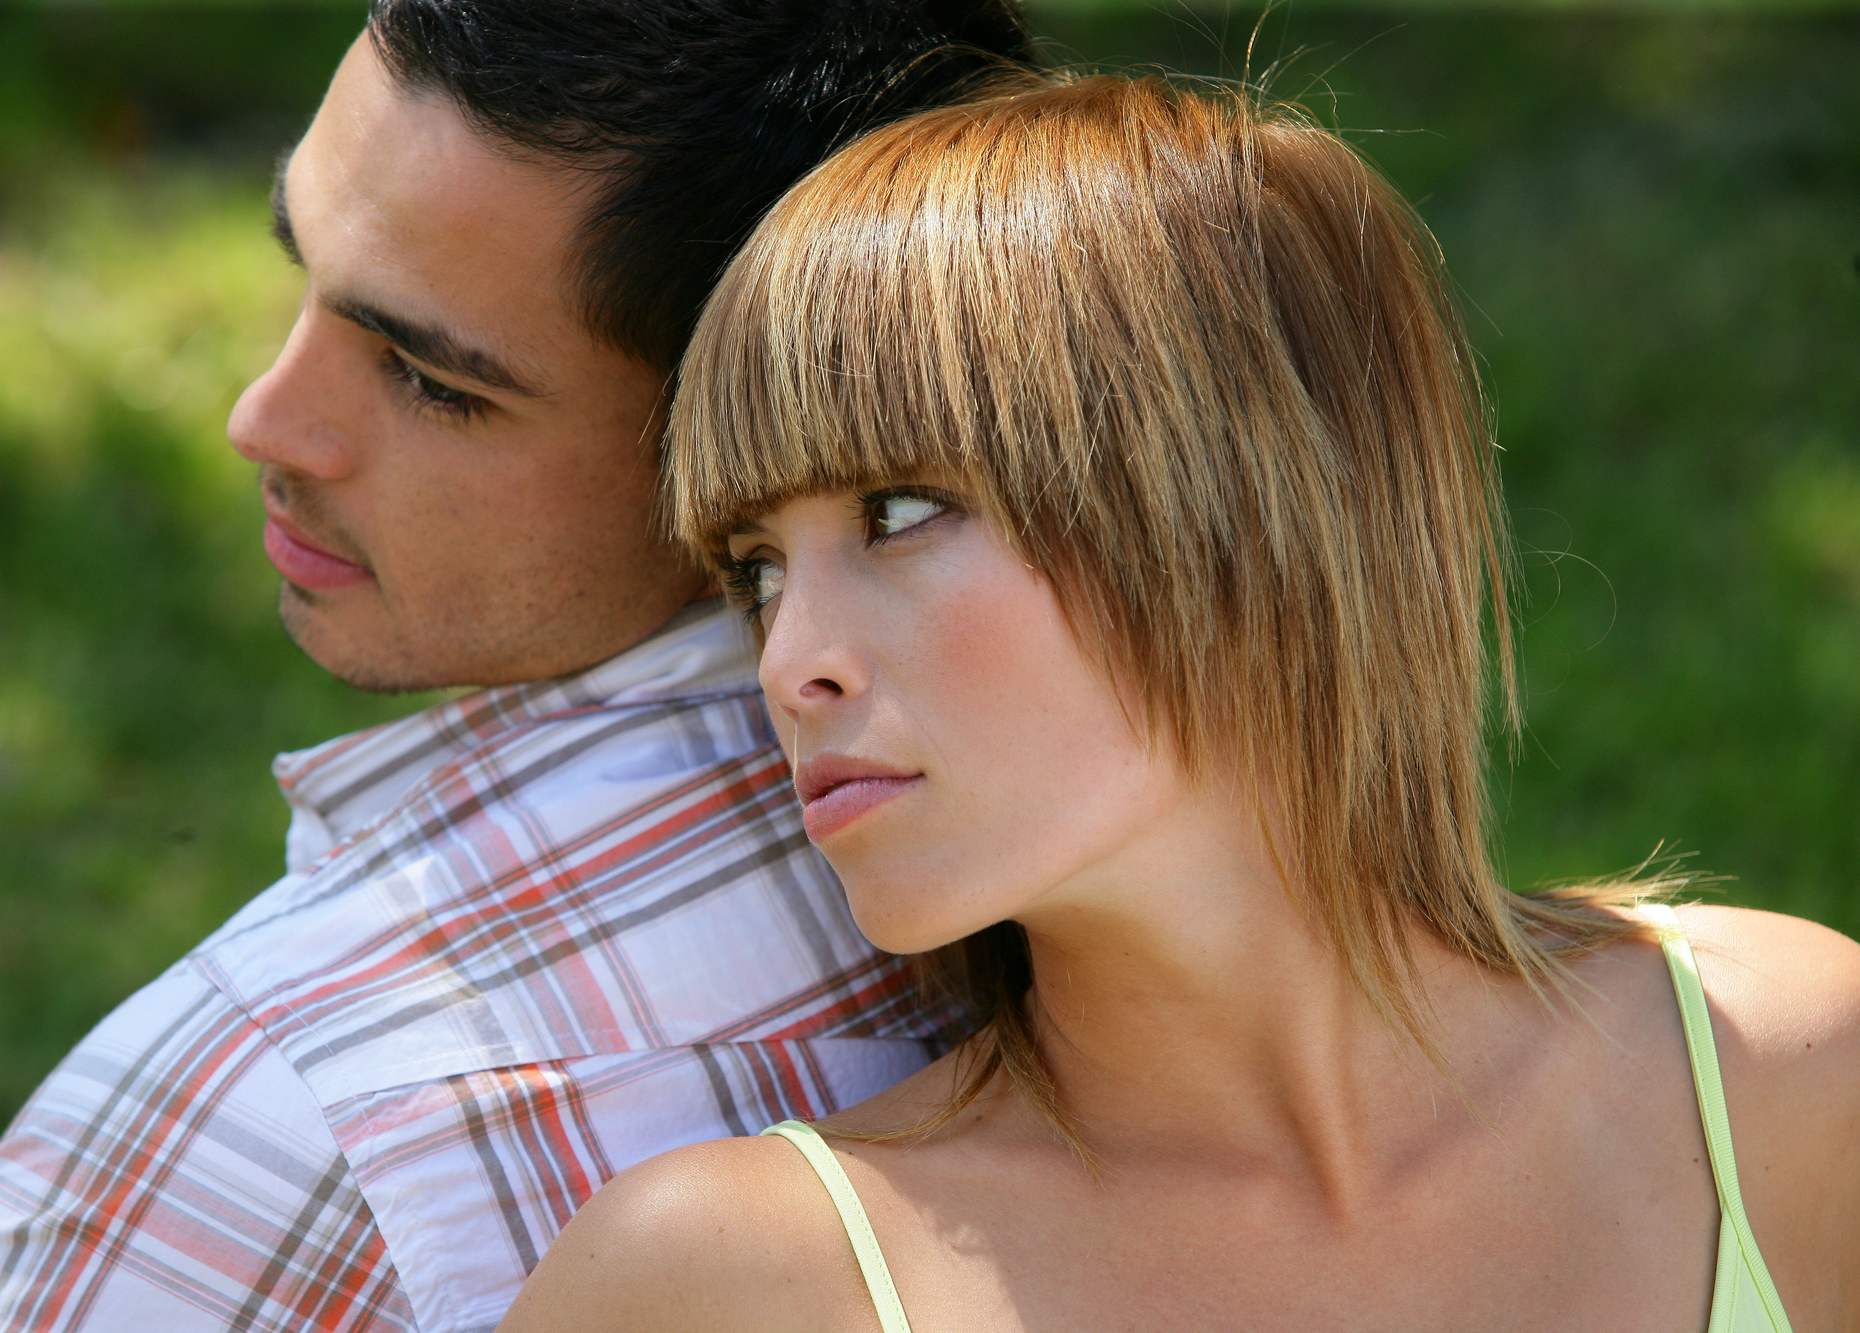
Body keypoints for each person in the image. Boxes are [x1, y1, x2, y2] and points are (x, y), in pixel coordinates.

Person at [502, 72, 1860, 1332]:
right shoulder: (732, 1283)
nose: (792, 660)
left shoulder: (1788, 1073)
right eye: (755, 570)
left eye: (901, 511)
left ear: (1252, 498)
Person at [0, 4, 1034, 1331]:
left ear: (776, 421)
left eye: (433, 383)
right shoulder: (1167, 847)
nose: (263, 418)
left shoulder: (261, 1124)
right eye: (301, 268)